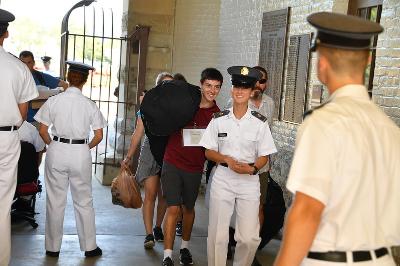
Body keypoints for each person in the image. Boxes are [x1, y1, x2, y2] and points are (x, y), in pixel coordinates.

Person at [274, 12, 400, 266]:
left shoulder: (323, 123)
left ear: (322, 63)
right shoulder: (389, 129)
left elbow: (308, 211)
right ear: (368, 60)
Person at [200, 66, 277, 266]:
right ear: (232, 90)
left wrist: (252, 168)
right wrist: (226, 160)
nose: (240, 91)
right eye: (236, 87)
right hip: (223, 178)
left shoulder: (259, 123)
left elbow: (264, 155)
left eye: (245, 88)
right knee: (218, 234)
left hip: (249, 180)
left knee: (249, 237)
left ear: (252, 91)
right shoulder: (218, 119)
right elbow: (208, 151)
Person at [34, 61, 107, 258]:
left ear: (67, 76)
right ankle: (90, 247)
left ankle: (52, 248)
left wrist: (52, 145)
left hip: (57, 149)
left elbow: (42, 130)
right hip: (80, 152)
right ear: (85, 80)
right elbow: (98, 135)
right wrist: (85, 147)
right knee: (84, 200)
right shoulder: (89, 104)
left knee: (55, 200)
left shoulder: (54, 101)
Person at [161, 68, 223, 266]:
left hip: (195, 167)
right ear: (201, 84)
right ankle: (167, 256)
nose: (212, 90)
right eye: (208, 86)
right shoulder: (187, 102)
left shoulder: (217, 115)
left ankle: (185, 248)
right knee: (172, 208)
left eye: (216, 87)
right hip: (172, 160)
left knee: (189, 208)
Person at [0, 9, 39, 265]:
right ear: (5, 33)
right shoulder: (17, 67)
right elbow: (24, 112)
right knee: (3, 204)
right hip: (6, 138)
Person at [122, 72, 173, 249]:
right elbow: (138, 132)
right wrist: (129, 156)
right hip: (150, 151)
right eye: (165, 84)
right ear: (157, 87)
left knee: (164, 195)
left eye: (171, 85)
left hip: (169, 152)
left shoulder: (178, 107)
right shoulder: (147, 106)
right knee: (150, 193)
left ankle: (158, 226)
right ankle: (148, 233)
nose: (168, 88)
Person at [19, 50, 68, 123]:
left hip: (37, 121)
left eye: (29, 62)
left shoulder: (40, 76)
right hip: (18, 122)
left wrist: (63, 103)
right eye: (23, 63)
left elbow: (65, 85)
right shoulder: (14, 78)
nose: (26, 66)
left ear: (33, 63)